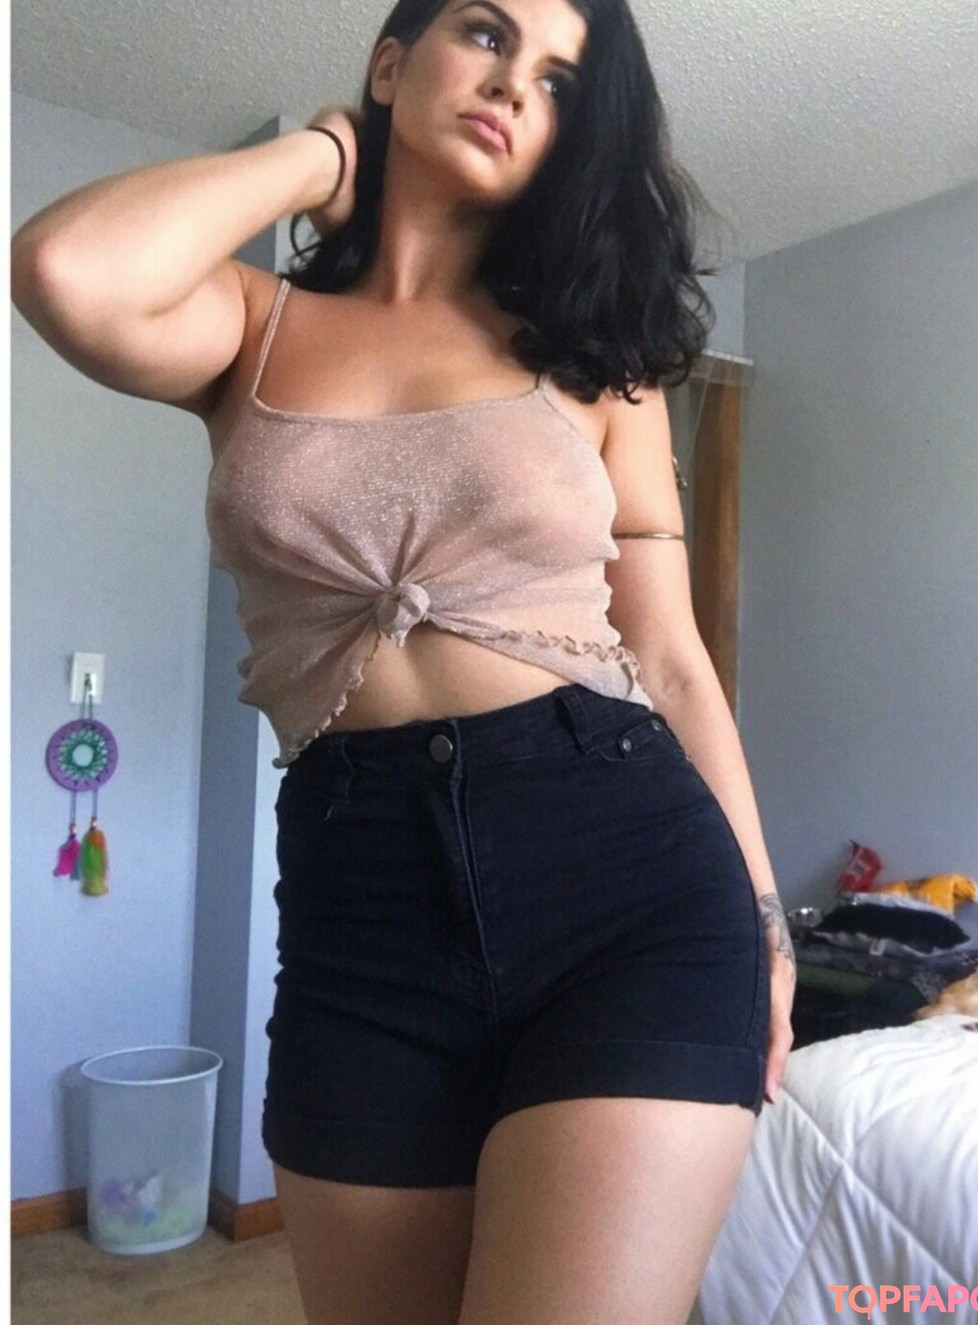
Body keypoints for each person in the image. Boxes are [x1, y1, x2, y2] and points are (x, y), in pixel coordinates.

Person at [12, 0, 795, 1320]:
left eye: (560, 83)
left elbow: (668, 657)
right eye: (486, 34)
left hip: (625, 877)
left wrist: (767, 918)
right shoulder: (250, 323)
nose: (515, 87)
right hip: (358, 895)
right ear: (392, 61)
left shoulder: (595, 356)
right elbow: (61, 270)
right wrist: (326, 155)